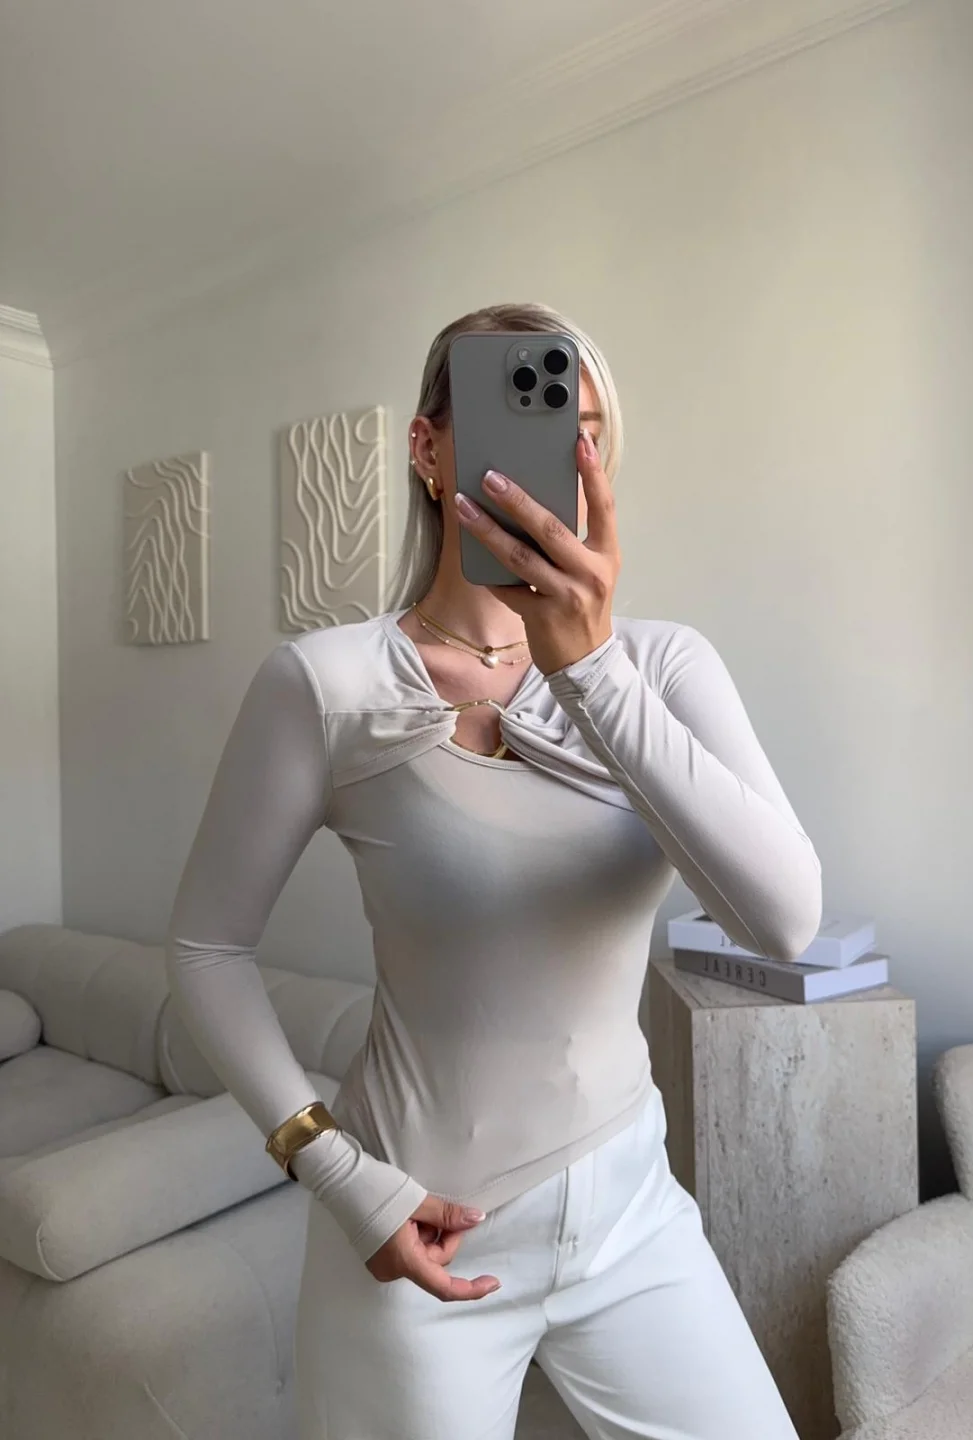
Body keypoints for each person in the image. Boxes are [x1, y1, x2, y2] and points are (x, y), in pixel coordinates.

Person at [165, 301, 823, 1440]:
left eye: (585, 432)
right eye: (525, 421)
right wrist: (335, 1172)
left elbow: (784, 922)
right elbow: (206, 947)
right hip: (414, 1225)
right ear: (427, 450)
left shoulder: (664, 666)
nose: (561, 458)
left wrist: (592, 670)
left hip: (633, 1214)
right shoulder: (325, 683)